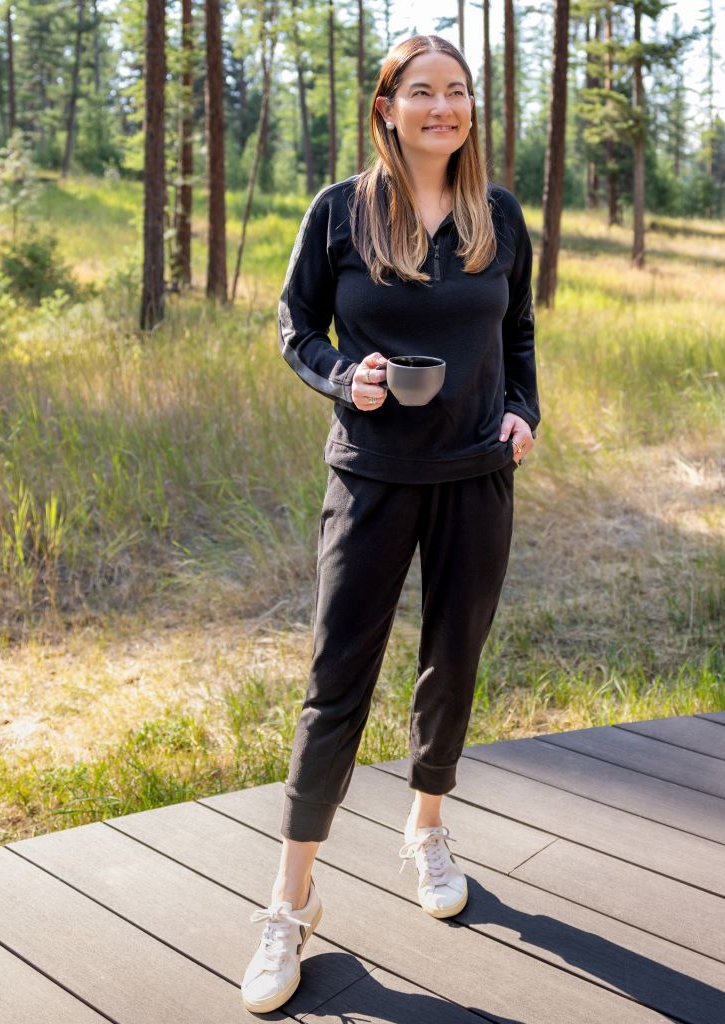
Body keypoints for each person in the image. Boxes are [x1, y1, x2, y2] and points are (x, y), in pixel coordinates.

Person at [240, 33, 539, 1015]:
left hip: (475, 476)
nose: (444, 107)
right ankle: (289, 901)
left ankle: (426, 827)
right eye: (424, 92)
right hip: (370, 477)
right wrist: (342, 376)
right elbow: (295, 325)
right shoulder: (340, 211)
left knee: (452, 659)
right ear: (387, 107)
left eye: (457, 92)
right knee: (336, 682)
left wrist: (523, 412)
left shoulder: (497, 214)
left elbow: (519, 334)